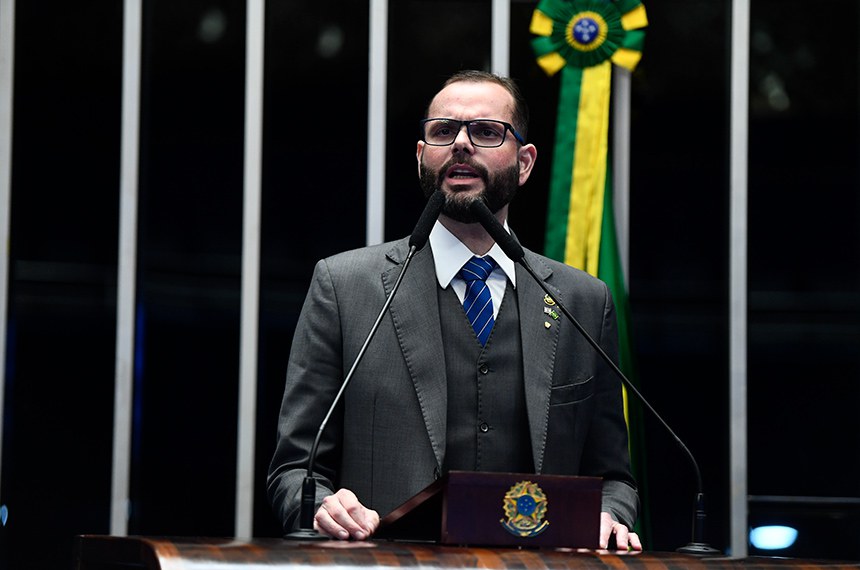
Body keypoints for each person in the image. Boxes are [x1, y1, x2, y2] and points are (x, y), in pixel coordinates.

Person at [267, 70, 640, 550]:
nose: (461, 144)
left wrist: (609, 515)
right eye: (443, 131)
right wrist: (320, 504)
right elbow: (295, 470)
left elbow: (614, 478)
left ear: (525, 163)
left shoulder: (583, 302)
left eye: (486, 131)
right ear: (422, 155)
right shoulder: (344, 287)